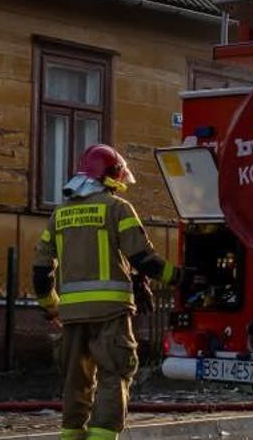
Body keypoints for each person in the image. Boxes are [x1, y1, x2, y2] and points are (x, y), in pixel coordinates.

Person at [33, 145, 182, 440]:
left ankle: (71, 435)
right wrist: (180, 278)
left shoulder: (59, 214)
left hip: (71, 317)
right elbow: (144, 259)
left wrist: (51, 306)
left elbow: (41, 270)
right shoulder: (117, 208)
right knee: (113, 375)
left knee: (75, 382)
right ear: (111, 176)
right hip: (111, 313)